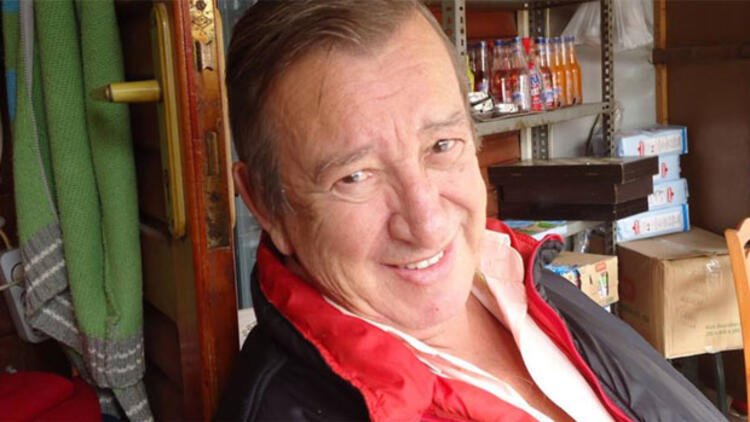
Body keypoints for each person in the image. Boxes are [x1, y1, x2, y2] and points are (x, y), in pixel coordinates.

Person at [217, 1, 724, 421]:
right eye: (354, 176)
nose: (428, 223)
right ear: (265, 205)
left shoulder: (515, 274)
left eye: (441, 145)